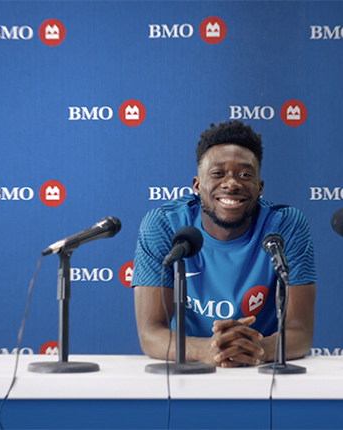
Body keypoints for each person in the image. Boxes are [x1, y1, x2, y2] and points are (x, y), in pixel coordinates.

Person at [131, 120, 316, 367]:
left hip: (259, 369)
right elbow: (149, 332)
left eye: (245, 174)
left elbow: (300, 332)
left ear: (259, 187)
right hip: (189, 368)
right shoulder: (163, 225)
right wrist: (205, 349)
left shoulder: (286, 225)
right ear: (197, 185)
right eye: (218, 173)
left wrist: (257, 347)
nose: (231, 184)